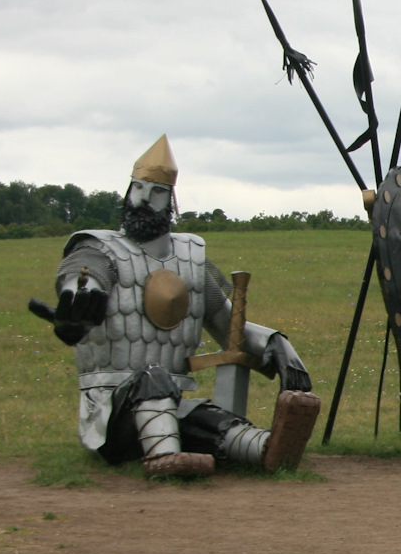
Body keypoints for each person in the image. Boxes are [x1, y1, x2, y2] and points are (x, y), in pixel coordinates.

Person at [37, 135, 317, 478]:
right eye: (137, 189)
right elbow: (85, 274)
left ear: (170, 200)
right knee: (152, 377)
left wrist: (276, 342)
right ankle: (164, 458)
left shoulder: (190, 261)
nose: (143, 199)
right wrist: (79, 294)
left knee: (207, 419)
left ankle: (269, 450)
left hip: (172, 403)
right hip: (111, 413)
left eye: (154, 192)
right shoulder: (100, 249)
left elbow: (231, 328)